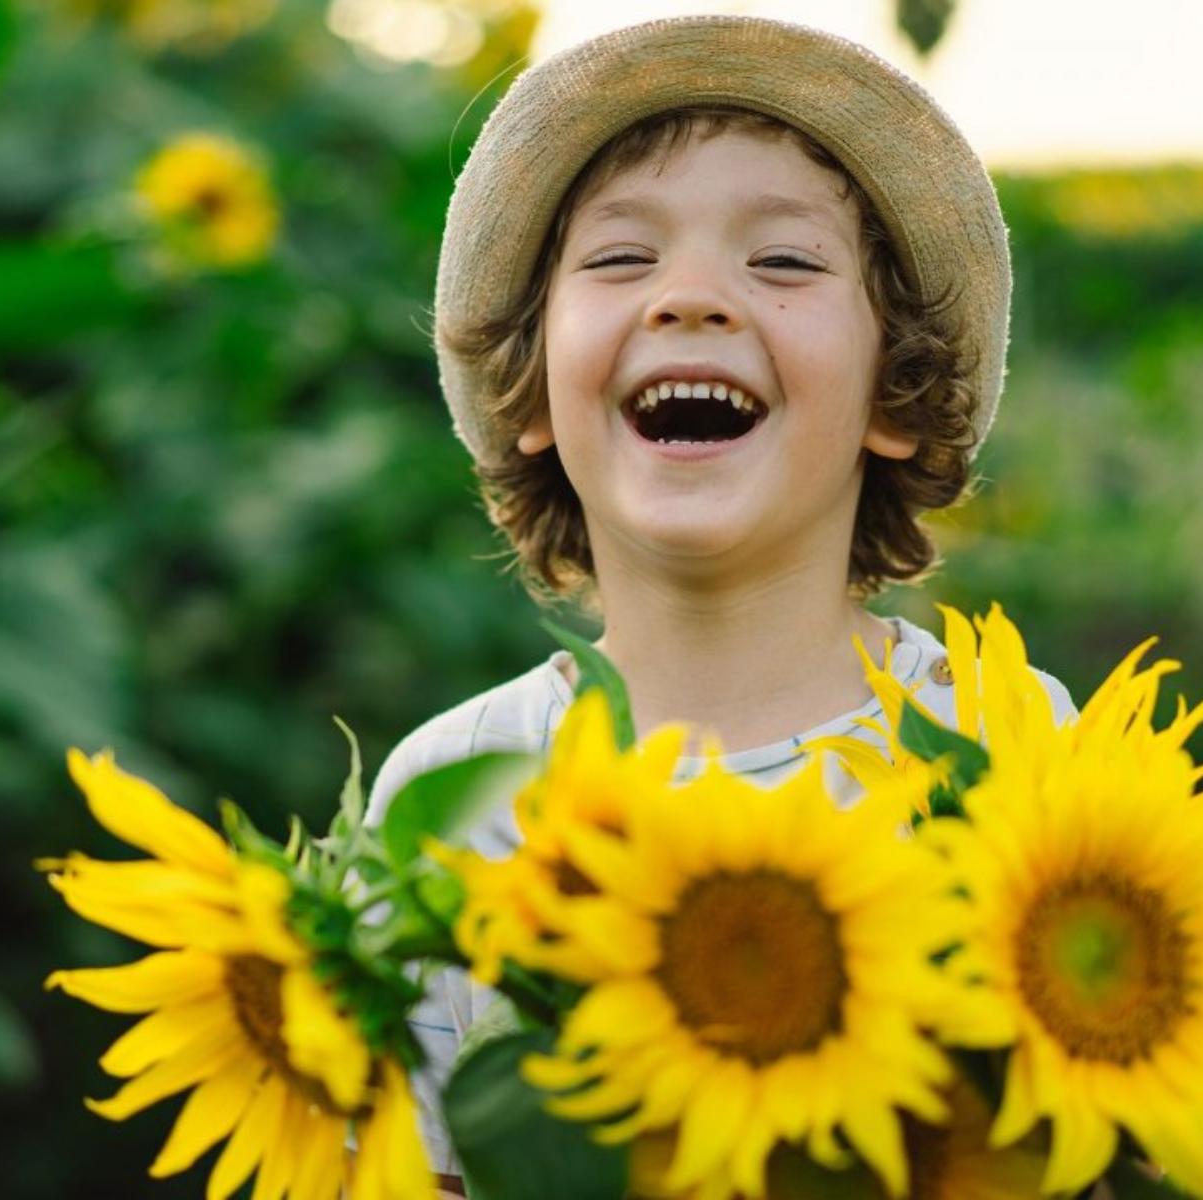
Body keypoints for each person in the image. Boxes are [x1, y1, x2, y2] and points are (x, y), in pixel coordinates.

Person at [364, 15, 1077, 1194]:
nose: (690, 297)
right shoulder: (455, 791)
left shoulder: (1006, 745)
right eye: (619, 259)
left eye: (784, 262)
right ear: (530, 389)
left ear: (894, 395)